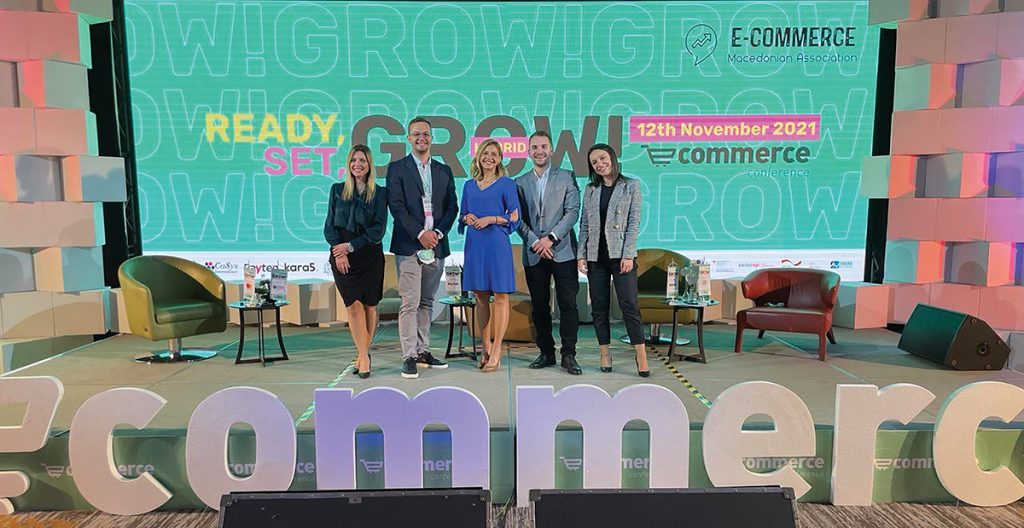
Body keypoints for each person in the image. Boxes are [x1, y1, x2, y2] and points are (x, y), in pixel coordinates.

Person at [386, 117, 459, 379]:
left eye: (425, 134)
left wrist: (436, 234)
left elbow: (452, 207)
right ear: (409, 138)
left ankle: (423, 350)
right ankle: (409, 356)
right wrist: (420, 234)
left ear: (431, 137)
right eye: (416, 134)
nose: (421, 138)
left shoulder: (444, 170)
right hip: (409, 245)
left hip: (436, 246)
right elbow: (396, 207)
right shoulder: (397, 168)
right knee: (410, 302)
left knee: (427, 302)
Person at [577, 144, 650, 377]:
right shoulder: (590, 189)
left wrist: (628, 254)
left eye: (602, 158)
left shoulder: (631, 186)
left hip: (621, 257)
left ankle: (641, 354)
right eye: (594, 162)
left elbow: (634, 222)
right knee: (599, 308)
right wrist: (581, 255)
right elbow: (584, 224)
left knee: (629, 305)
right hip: (595, 257)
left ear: (612, 158)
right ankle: (605, 353)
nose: (599, 164)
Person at [514, 131, 582, 375]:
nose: (539, 151)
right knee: (540, 306)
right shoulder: (519, 182)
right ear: (528, 151)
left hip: (562, 251)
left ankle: (569, 355)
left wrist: (551, 239)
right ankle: (546, 352)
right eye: (534, 147)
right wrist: (536, 242)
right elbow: (517, 219)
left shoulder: (567, 176)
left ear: (551, 150)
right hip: (534, 253)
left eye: (544, 146)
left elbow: (572, 212)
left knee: (568, 305)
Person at [324, 145, 387, 379]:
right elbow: (329, 226)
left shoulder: (380, 193)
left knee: (370, 305)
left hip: (369, 255)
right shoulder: (337, 190)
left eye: (362, 160)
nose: (357, 165)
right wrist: (340, 253)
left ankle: (363, 355)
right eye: (353, 160)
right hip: (342, 256)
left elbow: (378, 229)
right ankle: (364, 356)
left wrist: (351, 246)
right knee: (353, 305)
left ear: (370, 165)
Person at [459, 139, 521, 372]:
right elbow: (462, 214)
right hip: (475, 245)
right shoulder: (469, 185)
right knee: (480, 296)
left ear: (500, 159)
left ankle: (497, 350)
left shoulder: (507, 184)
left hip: (497, 244)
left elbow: (515, 216)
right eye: (485, 153)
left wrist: (492, 219)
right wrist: (467, 218)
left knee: (501, 295)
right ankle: (485, 347)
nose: (489, 157)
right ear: (478, 157)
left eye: (494, 153)